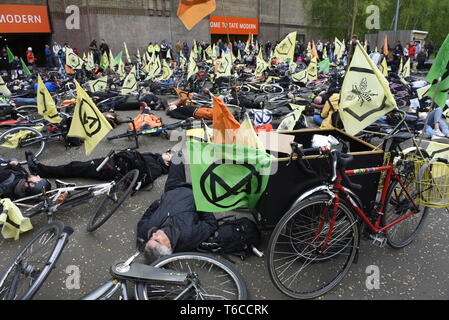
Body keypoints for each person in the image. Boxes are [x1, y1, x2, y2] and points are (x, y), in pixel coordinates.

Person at [137, 153, 218, 263]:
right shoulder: (188, 236)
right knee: (211, 166)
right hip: (197, 191)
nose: (153, 234)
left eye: (150, 239)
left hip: (173, 188)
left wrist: (158, 203)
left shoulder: (145, 232)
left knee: (177, 156)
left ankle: (165, 159)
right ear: (169, 247)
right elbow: (211, 224)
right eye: (156, 239)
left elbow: (144, 219)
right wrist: (200, 203)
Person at [25, 149, 173, 188]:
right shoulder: (154, 157)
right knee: (78, 166)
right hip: (112, 160)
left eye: (169, 156)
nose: (167, 153)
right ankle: (41, 169)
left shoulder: (157, 168)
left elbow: (141, 179)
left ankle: (40, 170)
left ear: (168, 163)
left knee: (75, 167)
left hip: (111, 169)